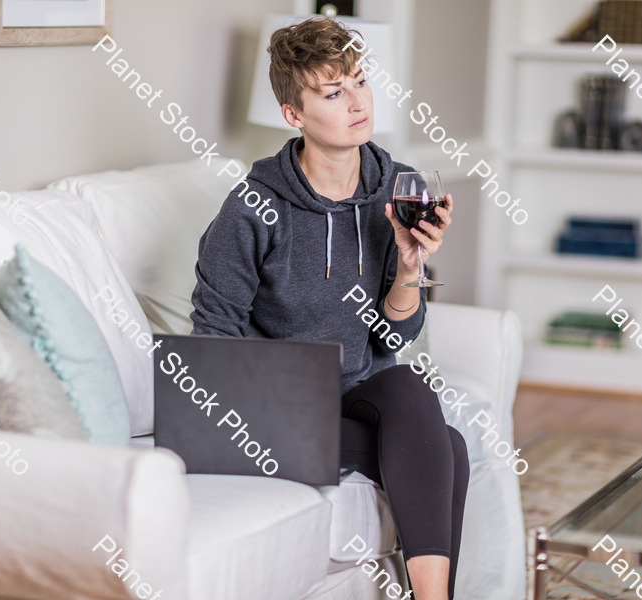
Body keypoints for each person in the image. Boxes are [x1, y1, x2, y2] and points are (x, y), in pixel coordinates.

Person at [190, 16, 469, 600]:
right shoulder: (252, 208)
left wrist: (412, 266)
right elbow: (211, 342)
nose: (357, 102)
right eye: (333, 92)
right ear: (294, 115)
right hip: (269, 409)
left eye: (360, 82)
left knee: (411, 390)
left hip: (354, 396)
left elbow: (395, 336)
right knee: (449, 449)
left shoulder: (399, 185)